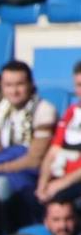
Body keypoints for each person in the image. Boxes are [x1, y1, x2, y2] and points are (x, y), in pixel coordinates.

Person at [0, 61, 58, 215]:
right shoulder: (0, 109)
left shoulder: (44, 110)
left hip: (34, 176)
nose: (14, 91)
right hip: (4, 168)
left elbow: (35, 160)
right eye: (8, 85)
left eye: (19, 84)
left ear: (31, 84)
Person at [37, 63, 81, 207]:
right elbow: (53, 152)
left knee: (60, 201)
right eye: (79, 85)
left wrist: (62, 183)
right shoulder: (72, 112)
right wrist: (42, 185)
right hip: (61, 179)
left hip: (73, 183)